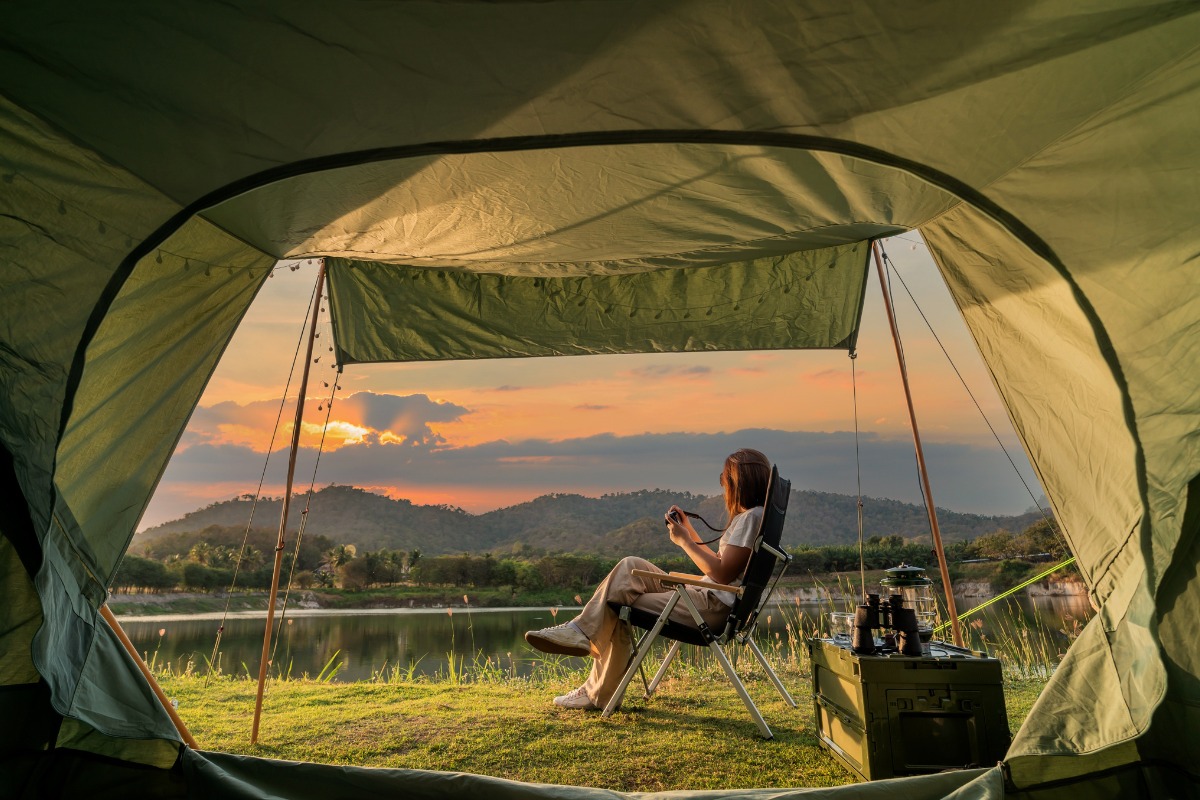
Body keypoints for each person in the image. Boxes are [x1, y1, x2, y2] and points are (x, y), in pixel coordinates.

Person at [524, 448, 772, 710]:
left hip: (710, 606)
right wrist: (688, 531)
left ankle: (594, 684)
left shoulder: (750, 518)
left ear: (738, 482)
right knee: (631, 566)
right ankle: (581, 638)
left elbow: (722, 573)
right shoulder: (758, 516)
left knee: (619, 601)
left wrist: (684, 542)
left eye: (725, 479)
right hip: (706, 597)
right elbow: (722, 568)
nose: (723, 486)